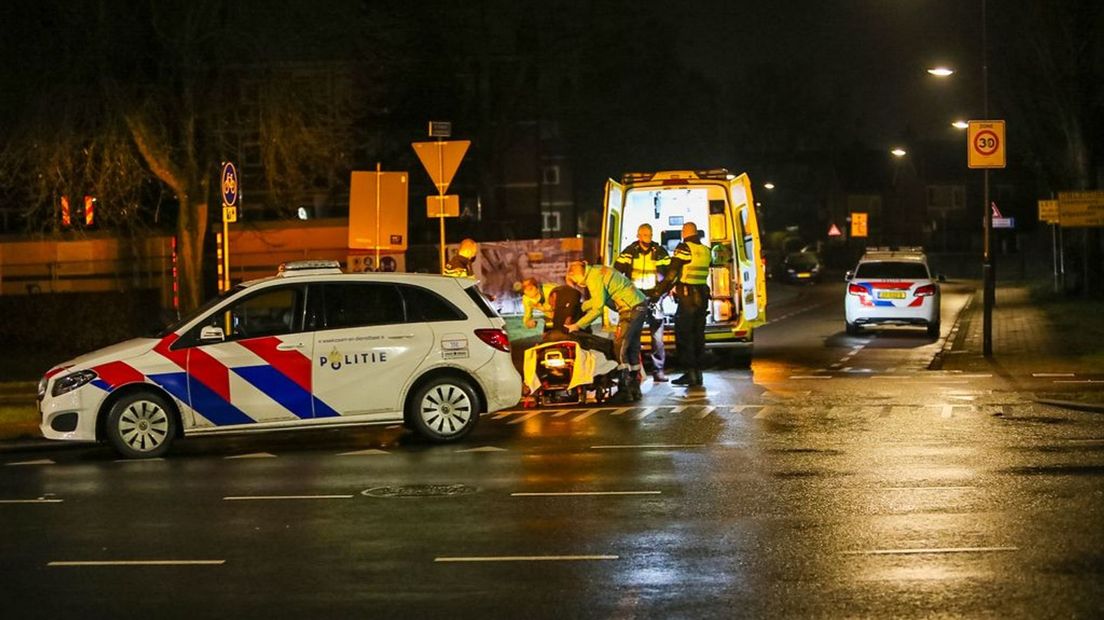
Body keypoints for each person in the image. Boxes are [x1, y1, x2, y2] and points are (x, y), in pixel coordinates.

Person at [564, 261, 648, 402]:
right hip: (638, 305)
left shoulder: (593, 277)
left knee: (619, 347)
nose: (578, 284)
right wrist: (582, 307)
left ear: (576, 274)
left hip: (629, 309)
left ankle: (625, 390)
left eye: (575, 281)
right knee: (631, 348)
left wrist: (578, 325)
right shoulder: (597, 270)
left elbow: (598, 306)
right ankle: (634, 389)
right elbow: (600, 298)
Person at [650, 222, 711, 388]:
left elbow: (672, 273)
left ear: (685, 232)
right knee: (698, 336)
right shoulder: (705, 250)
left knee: (685, 335)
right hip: (702, 296)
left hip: (687, 296)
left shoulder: (684, 247)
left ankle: (689, 374)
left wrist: (658, 293)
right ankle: (698, 374)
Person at [615, 223, 671, 382]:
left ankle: (658, 371)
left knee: (657, 337)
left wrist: (661, 292)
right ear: (638, 235)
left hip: (654, 297)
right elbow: (617, 272)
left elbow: (667, 274)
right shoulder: (629, 252)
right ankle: (635, 372)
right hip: (636, 299)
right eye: (645, 235)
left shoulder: (659, 252)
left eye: (650, 235)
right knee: (634, 335)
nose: (648, 238)